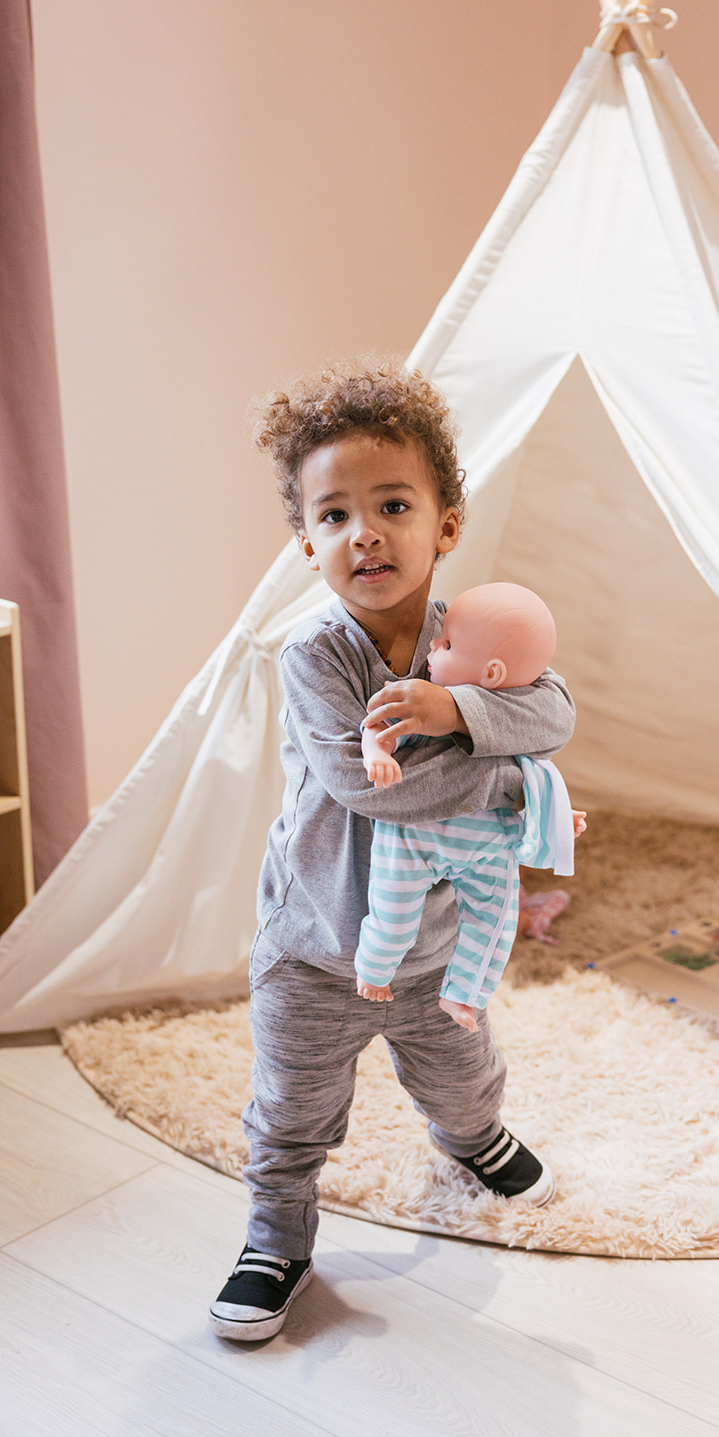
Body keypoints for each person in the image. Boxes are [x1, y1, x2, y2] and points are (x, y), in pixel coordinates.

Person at [210, 360, 576, 1343]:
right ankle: (274, 1234)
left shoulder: (473, 636)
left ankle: (471, 1138)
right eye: (332, 515)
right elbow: (377, 783)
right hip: (317, 941)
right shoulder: (316, 658)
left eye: (391, 504)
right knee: (290, 1104)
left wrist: (459, 704)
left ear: (443, 525)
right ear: (305, 543)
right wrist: (508, 783)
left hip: (438, 941)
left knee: (461, 1074)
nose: (362, 531)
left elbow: (553, 706)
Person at [355, 581, 587, 1031]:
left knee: (496, 921)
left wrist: (557, 812)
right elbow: (378, 723)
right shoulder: (422, 695)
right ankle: (374, 970)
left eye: (445, 644)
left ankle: (465, 995)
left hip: (488, 845)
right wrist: (377, 752)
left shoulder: (515, 719)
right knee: (393, 914)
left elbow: (536, 775)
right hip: (414, 839)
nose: (432, 648)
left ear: (494, 674)